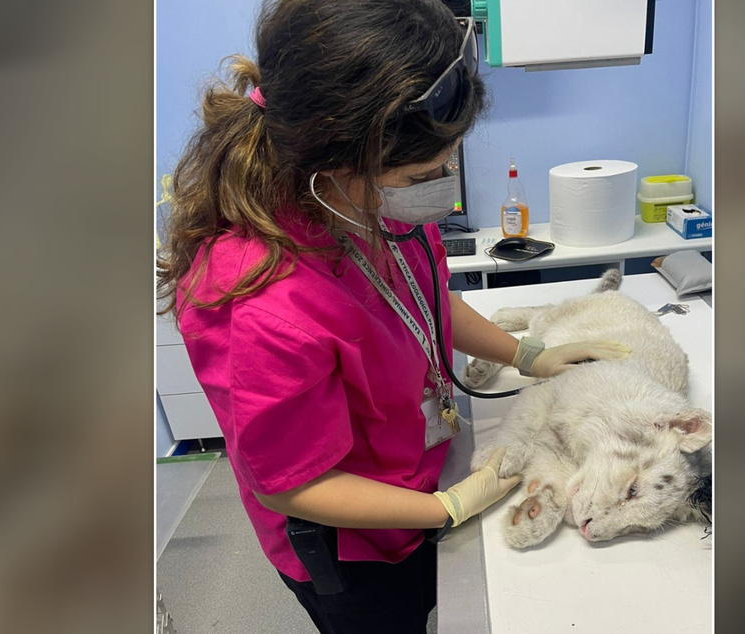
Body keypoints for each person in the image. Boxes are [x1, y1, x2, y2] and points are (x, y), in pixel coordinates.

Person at [157, 1, 625, 631]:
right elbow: (290, 484)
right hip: (352, 543)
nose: (441, 185)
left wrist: (525, 353)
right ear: (333, 158)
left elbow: (423, 300)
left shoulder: (370, 207)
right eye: (421, 173)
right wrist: (449, 509)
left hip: (417, 475)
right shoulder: (261, 303)